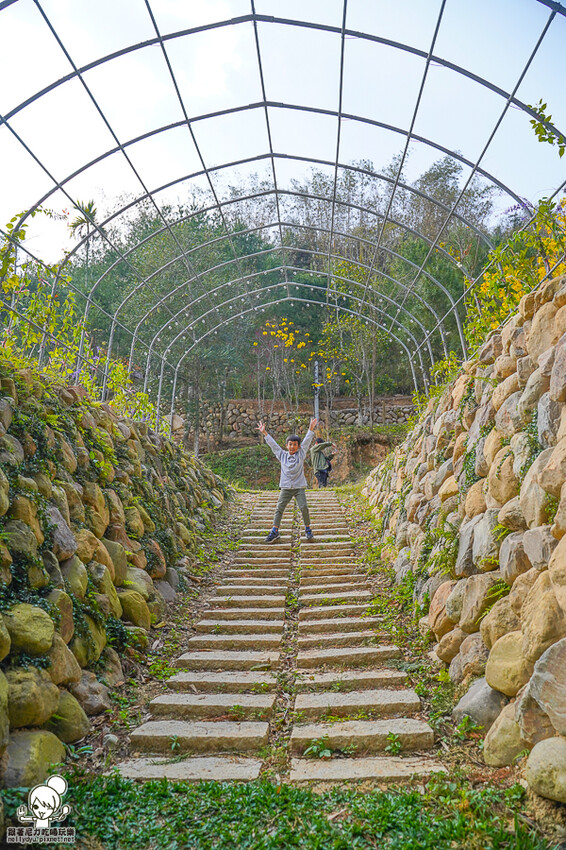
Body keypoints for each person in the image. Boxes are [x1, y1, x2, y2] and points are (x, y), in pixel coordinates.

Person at [257, 417, 318, 543]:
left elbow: (306, 441)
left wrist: (310, 429)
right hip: (285, 487)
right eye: (290, 444)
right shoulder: (282, 455)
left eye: (295, 445)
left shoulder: (301, 454)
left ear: (298, 446)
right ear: (286, 445)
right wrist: (265, 433)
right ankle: (275, 531)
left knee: (304, 507)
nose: (292, 447)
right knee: (279, 508)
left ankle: (307, 529)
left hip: (299, 487)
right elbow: (273, 445)